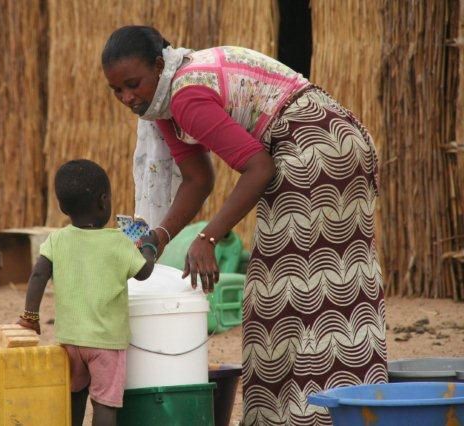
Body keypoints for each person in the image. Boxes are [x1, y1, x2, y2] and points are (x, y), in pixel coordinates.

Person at [102, 26, 388, 425]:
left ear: (157, 65)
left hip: (318, 147)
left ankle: (327, 412)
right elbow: (198, 178)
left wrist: (207, 237)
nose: (127, 98)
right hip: (313, 144)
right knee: (281, 292)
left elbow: (258, 167)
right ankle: (298, 413)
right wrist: (159, 237)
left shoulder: (185, 94)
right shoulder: (163, 104)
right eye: (117, 91)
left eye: (132, 85)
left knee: (307, 290)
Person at [18, 159, 156, 426]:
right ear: (103, 201)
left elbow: (38, 275)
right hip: (106, 343)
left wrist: (30, 316)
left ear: (62, 206)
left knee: (74, 396)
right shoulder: (119, 242)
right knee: (105, 403)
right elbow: (144, 272)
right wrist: (148, 247)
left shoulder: (56, 240)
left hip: (70, 340)